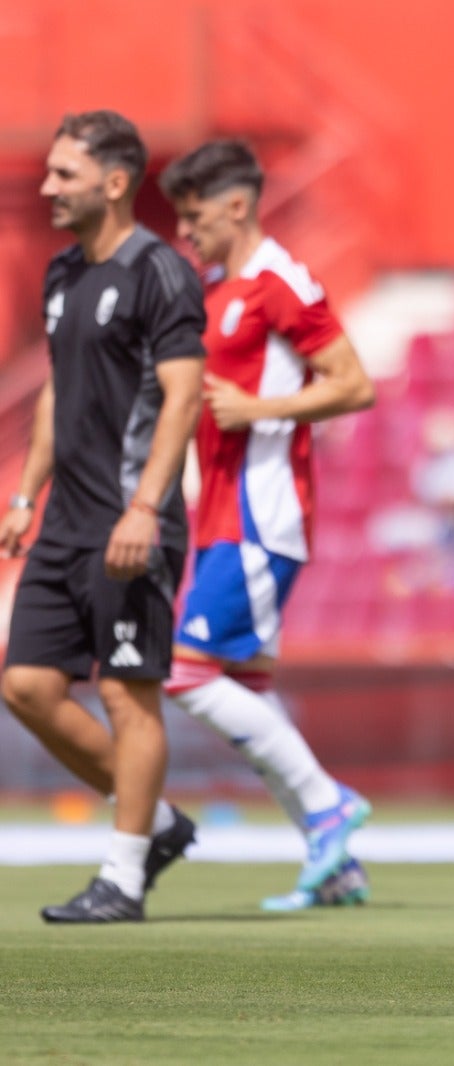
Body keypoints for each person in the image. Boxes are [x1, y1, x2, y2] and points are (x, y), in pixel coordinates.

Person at [158, 138, 376, 911]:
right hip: (222, 506)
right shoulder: (219, 288)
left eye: (196, 217)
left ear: (238, 205)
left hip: (263, 508)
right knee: (246, 686)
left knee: (184, 669)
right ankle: (338, 865)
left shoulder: (281, 280)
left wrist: (262, 411)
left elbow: (354, 384)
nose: (188, 233)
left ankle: (329, 807)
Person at [0, 111, 206, 923]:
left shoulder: (161, 272)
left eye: (63, 174)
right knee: (25, 687)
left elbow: (184, 396)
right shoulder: (61, 276)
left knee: (128, 695)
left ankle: (121, 878)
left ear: (114, 183)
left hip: (132, 522)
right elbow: (59, 391)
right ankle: (154, 823)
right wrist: (25, 494)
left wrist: (146, 508)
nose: (47, 187)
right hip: (63, 525)